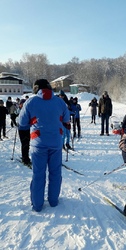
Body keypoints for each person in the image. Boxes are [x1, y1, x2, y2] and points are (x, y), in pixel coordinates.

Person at [19, 79, 70, 212]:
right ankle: (53, 201)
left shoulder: (31, 101)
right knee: (55, 172)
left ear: (36, 88)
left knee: (38, 174)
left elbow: (22, 123)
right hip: (56, 143)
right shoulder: (59, 101)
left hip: (38, 143)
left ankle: (37, 205)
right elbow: (66, 119)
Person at [18, 99, 31, 166]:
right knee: (24, 144)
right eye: (21, 104)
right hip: (21, 129)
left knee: (27, 143)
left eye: (24, 104)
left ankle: (26, 157)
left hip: (27, 129)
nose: (23, 105)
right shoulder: (19, 111)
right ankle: (24, 158)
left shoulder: (28, 111)